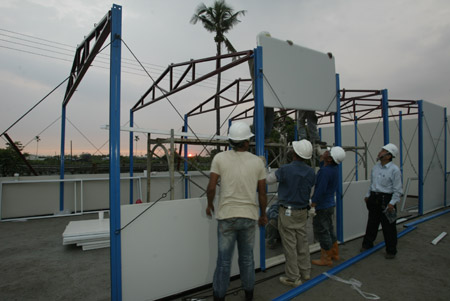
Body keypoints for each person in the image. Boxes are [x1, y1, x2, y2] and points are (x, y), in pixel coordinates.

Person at [206, 121, 268, 301]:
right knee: (247, 259)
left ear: (231, 141)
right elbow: (262, 193)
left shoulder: (219, 158)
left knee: (224, 262)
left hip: (226, 217)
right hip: (248, 217)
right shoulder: (257, 162)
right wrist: (263, 215)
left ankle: (219, 297)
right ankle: (249, 295)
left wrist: (210, 204)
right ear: (247, 142)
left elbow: (211, 187)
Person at [266, 139, 315, 287]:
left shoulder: (285, 169)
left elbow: (268, 180)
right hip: (302, 211)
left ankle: (293, 277)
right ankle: (305, 271)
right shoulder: (311, 172)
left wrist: (262, 168)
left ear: (295, 153)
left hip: (288, 212)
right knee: (302, 242)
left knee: (290, 245)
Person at [361, 143, 403, 259]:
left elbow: (398, 189)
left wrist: (392, 203)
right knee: (372, 222)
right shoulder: (376, 167)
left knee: (389, 226)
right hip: (374, 198)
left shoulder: (394, 170)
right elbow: (373, 184)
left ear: (389, 156)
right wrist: (368, 195)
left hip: (386, 199)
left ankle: (391, 250)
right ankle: (367, 244)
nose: (380, 152)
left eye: (383, 151)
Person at [310, 146, 346, 266]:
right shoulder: (333, 168)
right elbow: (323, 164)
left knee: (323, 230)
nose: (326, 151)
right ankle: (334, 253)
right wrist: (322, 156)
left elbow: (320, 190)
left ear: (330, 159)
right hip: (329, 204)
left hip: (322, 205)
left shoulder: (325, 172)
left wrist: (313, 203)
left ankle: (326, 259)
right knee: (329, 229)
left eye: (328, 152)